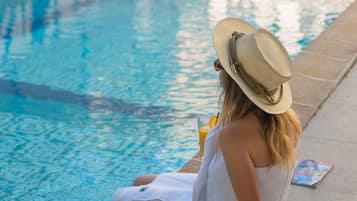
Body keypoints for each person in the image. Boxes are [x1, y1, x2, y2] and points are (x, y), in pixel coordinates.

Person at [113, 17, 302, 201]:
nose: (217, 68)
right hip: (212, 190)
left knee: (122, 196)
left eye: (220, 64)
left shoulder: (234, 134)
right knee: (141, 181)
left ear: (231, 80)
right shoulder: (287, 121)